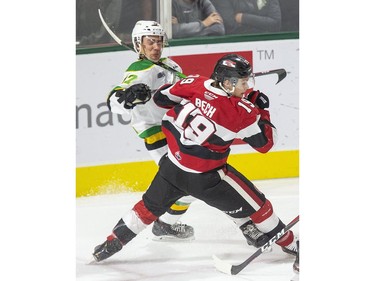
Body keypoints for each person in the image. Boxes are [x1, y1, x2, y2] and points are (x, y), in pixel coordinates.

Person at [93, 54, 298, 264]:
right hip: (208, 180)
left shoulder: (195, 83)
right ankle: (293, 244)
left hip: (171, 169)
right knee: (259, 206)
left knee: (145, 209)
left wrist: (196, 97)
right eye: (244, 82)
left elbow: (162, 98)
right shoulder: (240, 112)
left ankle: (110, 243)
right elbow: (266, 144)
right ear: (228, 83)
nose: (247, 87)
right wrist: (262, 111)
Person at [106, 20, 196, 240]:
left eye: (159, 41)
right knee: (187, 182)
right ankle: (163, 224)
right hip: (155, 133)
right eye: (150, 42)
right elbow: (113, 102)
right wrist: (128, 97)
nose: (156, 47)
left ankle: (164, 225)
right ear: (139, 44)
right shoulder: (138, 70)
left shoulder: (173, 66)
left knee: (191, 184)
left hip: (176, 130)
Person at [210, 0, 281, 35]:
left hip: (267, 44)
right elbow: (230, 25)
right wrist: (263, 23)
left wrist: (243, 18)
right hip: (237, 45)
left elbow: (276, 24)